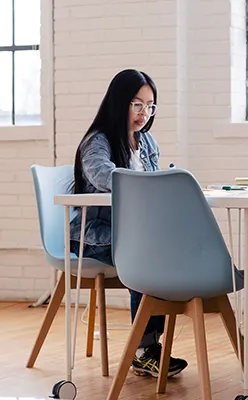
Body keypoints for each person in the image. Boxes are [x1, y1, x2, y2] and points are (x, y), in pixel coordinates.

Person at [68, 69, 188, 378]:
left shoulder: (146, 142)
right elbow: (102, 175)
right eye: (137, 104)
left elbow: (154, 181)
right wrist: (150, 185)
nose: (144, 113)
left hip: (135, 233)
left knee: (169, 248)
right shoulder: (98, 141)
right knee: (147, 254)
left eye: (150, 106)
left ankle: (150, 346)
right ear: (118, 103)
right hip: (94, 236)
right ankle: (144, 350)